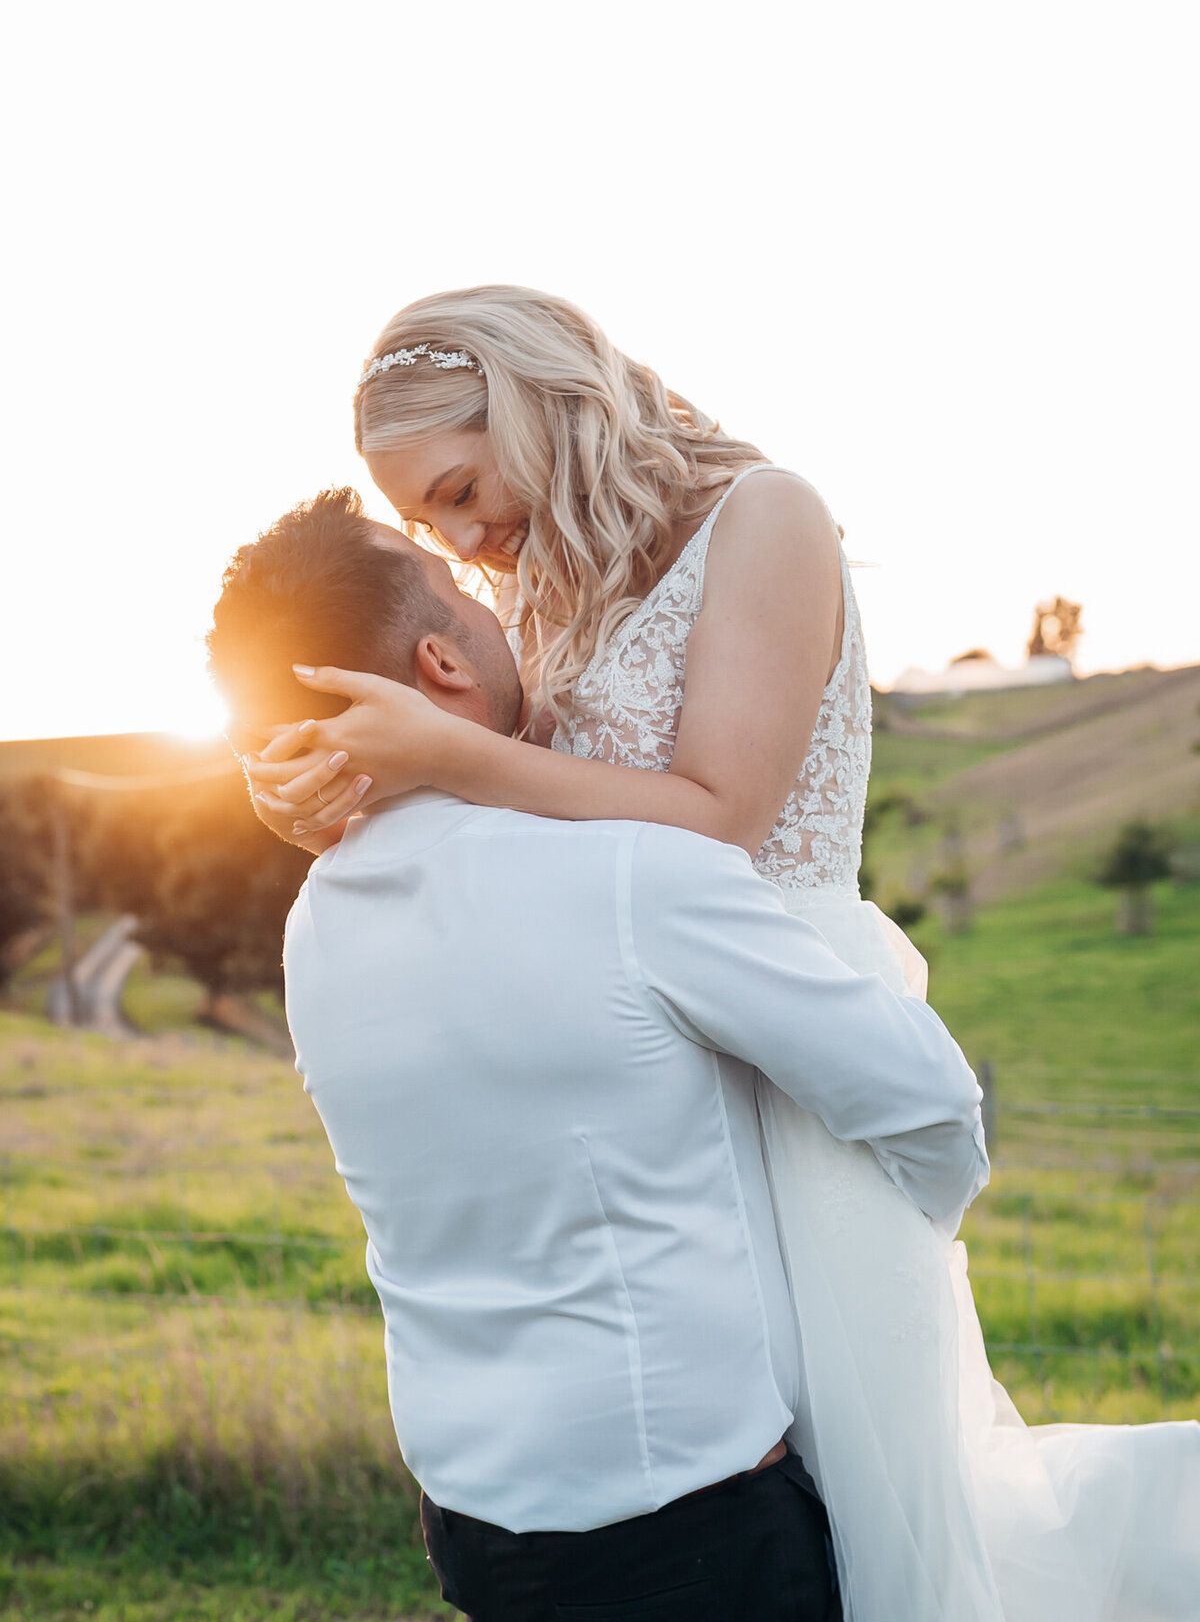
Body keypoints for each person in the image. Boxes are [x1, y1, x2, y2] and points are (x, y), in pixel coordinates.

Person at [245, 289, 1200, 1619]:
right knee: (733, 1484)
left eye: (463, 487)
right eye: (429, 525)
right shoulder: (541, 588)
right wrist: (329, 784)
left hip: (797, 1041)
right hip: (655, 1059)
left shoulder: (769, 518)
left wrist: (454, 751)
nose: (466, 540)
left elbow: (720, 817)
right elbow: (525, 840)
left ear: (533, 396)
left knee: (879, 1494)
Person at [207, 488, 993, 1622]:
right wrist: (861, 1256)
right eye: (467, 595)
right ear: (440, 662)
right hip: (691, 1533)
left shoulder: (317, 926)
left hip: (475, 1525)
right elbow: (931, 1109)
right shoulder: (632, 877)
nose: (498, 606)